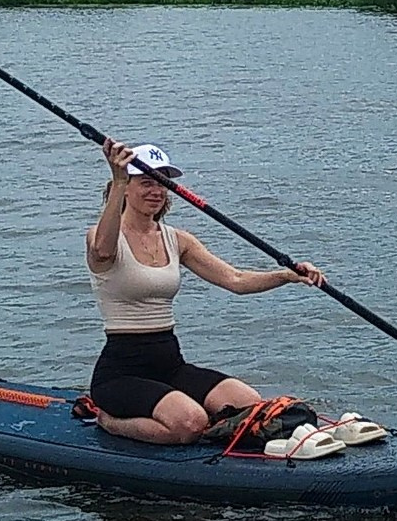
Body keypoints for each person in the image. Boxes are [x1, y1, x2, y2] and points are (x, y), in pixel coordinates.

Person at [85, 139, 327, 446]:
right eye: (146, 182)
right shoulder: (103, 237)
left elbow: (235, 280)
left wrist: (287, 276)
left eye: (161, 183)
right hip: (120, 373)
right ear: (126, 188)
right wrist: (118, 180)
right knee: (191, 424)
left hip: (170, 365)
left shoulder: (178, 240)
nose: (156, 191)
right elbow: (102, 252)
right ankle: (111, 421)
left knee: (251, 405)